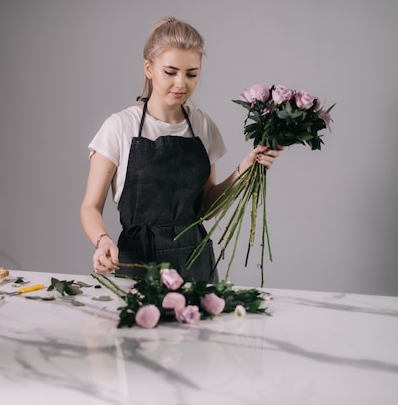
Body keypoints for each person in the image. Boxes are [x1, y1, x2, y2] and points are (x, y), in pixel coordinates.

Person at [80, 17, 281, 283]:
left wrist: (244, 169)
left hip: (196, 264)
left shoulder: (202, 125)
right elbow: (90, 206)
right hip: (139, 265)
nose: (181, 84)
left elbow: (207, 206)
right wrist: (102, 240)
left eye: (191, 74)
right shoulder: (119, 126)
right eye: (170, 72)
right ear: (149, 69)